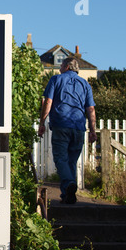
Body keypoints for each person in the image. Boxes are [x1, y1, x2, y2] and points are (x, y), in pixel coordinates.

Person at [38, 57, 97, 204]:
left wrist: (42, 122)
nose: (59, 69)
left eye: (61, 65)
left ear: (67, 67)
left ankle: (70, 183)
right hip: (78, 127)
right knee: (71, 161)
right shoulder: (85, 84)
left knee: (60, 158)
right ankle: (68, 196)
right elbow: (90, 108)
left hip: (61, 124)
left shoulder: (56, 79)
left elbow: (48, 102)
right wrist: (93, 130)